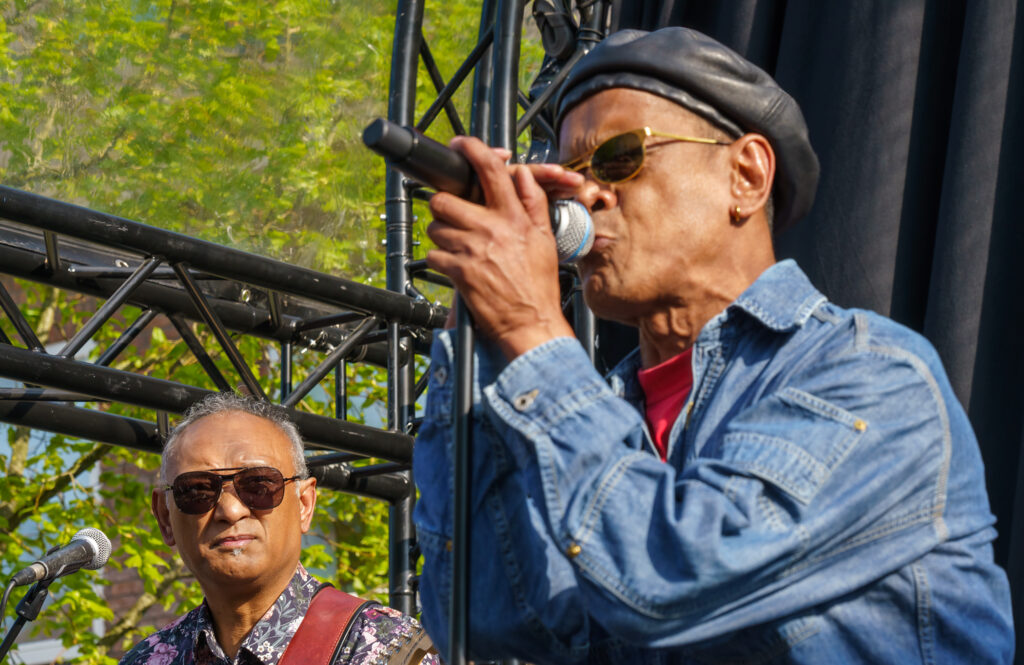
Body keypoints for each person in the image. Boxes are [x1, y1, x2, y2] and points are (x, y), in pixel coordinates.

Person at [412, 27, 1014, 664]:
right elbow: (480, 615)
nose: (587, 194)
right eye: (571, 173)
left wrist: (532, 328)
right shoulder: (600, 414)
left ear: (746, 176)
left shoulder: (874, 375)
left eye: (618, 158)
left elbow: (669, 578)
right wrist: (475, 323)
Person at [119, 392, 438, 665]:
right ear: (164, 517)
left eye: (258, 484)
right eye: (199, 490)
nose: (230, 511)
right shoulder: (149, 659)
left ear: (304, 504)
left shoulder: (386, 650)